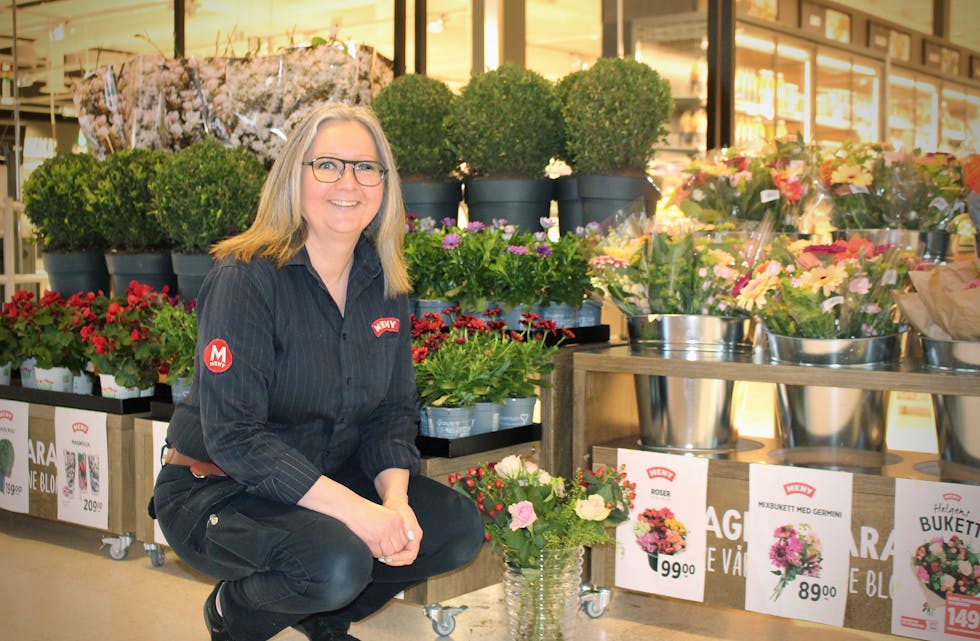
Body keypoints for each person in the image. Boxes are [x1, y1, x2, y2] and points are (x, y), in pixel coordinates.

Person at [151, 103, 484, 641]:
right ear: (294, 176)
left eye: (365, 167)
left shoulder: (384, 283)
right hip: (217, 489)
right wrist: (359, 514)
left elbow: (393, 415)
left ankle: (322, 616)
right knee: (337, 561)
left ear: (383, 184)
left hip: (323, 479)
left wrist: (393, 506)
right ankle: (234, 613)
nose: (347, 182)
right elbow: (236, 439)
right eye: (327, 165)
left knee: (455, 528)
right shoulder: (245, 279)